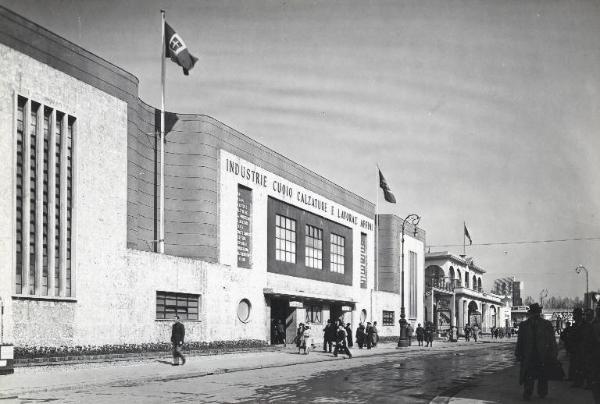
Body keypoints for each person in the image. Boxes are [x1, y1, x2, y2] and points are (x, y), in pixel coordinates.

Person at [515, 303, 558, 401]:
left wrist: (554, 352)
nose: (535, 314)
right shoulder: (524, 325)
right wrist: (518, 353)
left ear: (539, 312)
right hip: (529, 355)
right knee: (528, 375)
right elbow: (520, 341)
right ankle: (528, 392)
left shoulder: (547, 325)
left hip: (543, 354)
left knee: (543, 375)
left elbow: (552, 340)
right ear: (531, 313)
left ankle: (542, 392)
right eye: (534, 312)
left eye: (537, 312)